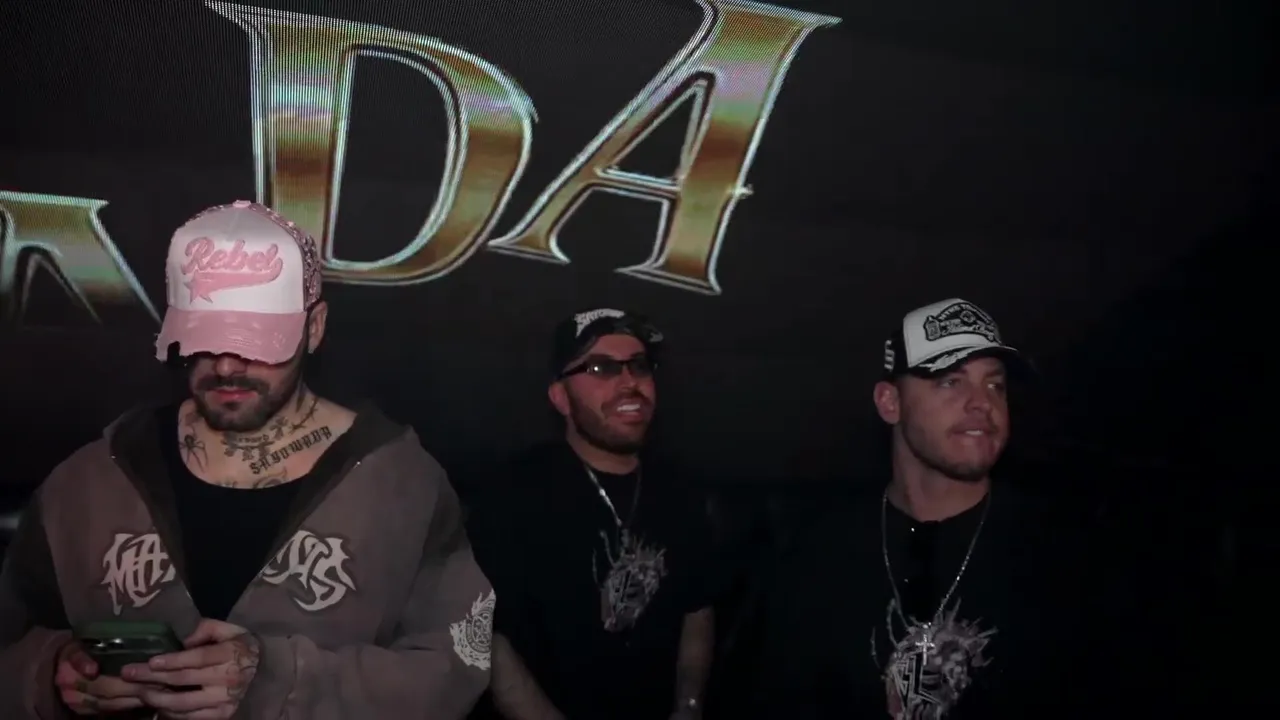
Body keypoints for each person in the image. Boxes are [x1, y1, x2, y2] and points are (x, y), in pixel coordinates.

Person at [0, 200, 493, 719]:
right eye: (204, 334)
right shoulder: (88, 481)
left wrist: (279, 683)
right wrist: (50, 675)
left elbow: (456, 668)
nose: (227, 365)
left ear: (314, 327)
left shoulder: (403, 485)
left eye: (256, 338)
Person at [743, 298, 1102, 719]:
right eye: (950, 381)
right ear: (889, 403)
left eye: (995, 385)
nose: (982, 403)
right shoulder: (819, 557)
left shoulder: (1067, 555)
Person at [465, 309, 720, 720]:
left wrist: (688, 707)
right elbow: (486, 638)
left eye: (639, 366)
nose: (630, 382)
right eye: (602, 368)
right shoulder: (514, 495)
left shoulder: (679, 490)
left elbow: (697, 609)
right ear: (560, 398)